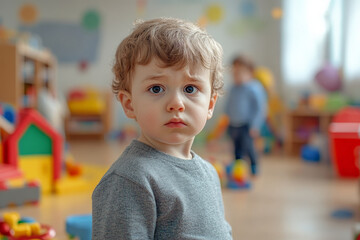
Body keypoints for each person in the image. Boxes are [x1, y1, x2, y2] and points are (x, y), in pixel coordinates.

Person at [92, 17, 232, 239]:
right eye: (156, 88)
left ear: (210, 104)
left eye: (190, 88)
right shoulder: (130, 179)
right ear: (129, 104)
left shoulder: (209, 172)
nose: (176, 103)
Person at [225, 55, 267, 176]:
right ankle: (238, 167)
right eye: (234, 73)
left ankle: (253, 165)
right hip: (234, 123)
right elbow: (229, 104)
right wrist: (227, 116)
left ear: (250, 72)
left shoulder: (254, 88)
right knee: (236, 147)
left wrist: (255, 125)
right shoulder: (233, 88)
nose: (236, 76)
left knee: (248, 147)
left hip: (247, 124)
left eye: (240, 72)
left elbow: (260, 108)